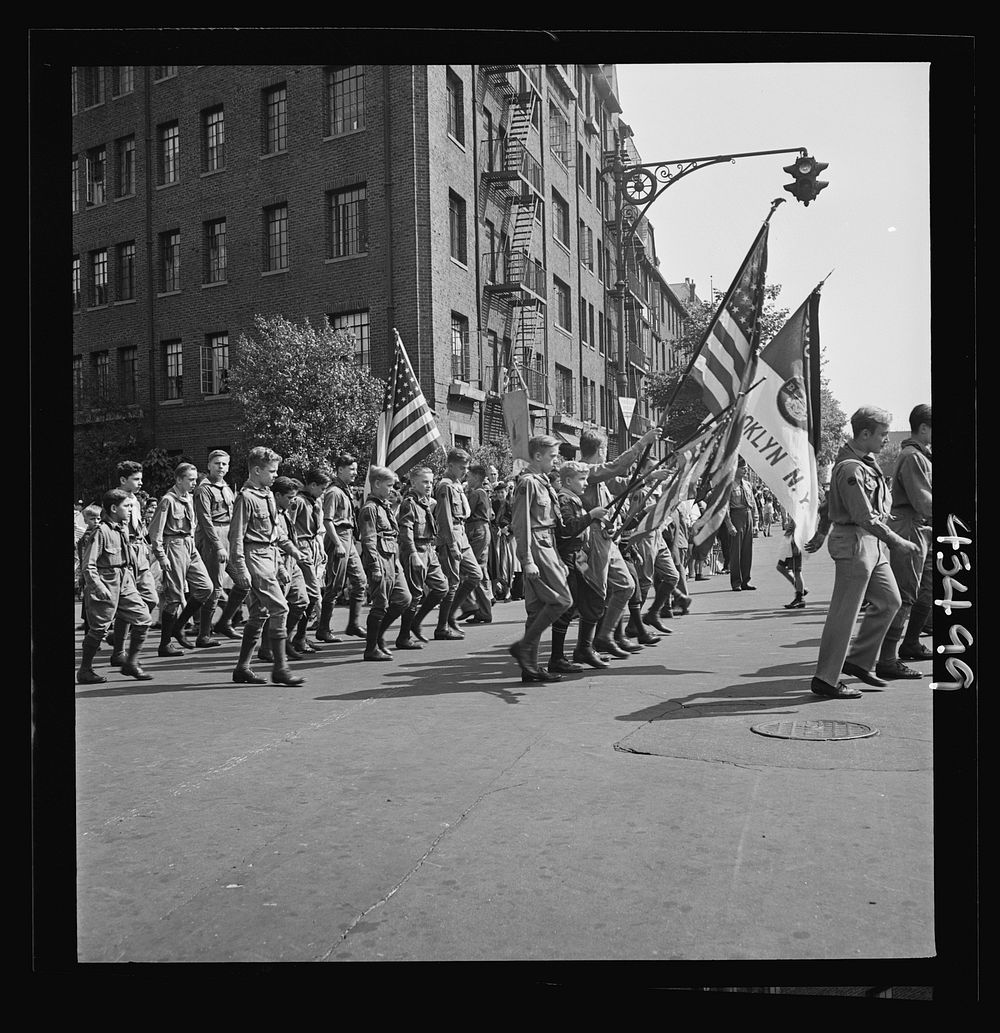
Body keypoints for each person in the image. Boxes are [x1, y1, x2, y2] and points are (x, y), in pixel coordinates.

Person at [811, 407, 921, 699]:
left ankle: (859, 660)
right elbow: (864, 516)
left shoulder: (864, 462)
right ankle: (826, 678)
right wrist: (899, 541)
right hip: (855, 542)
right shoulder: (851, 468)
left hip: (871, 543)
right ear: (865, 434)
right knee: (844, 614)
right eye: (883, 434)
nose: (887, 440)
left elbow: (835, 506)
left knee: (890, 601)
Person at [579, 425, 663, 658]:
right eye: (605, 449)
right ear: (600, 449)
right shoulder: (586, 470)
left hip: (607, 537)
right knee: (598, 593)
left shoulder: (599, 474)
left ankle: (605, 636)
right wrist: (643, 442)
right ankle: (587, 645)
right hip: (593, 539)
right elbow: (616, 467)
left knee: (626, 585)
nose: (607, 454)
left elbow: (620, 483)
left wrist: (649, 477)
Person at [228, 446, 307, 686]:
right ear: (257, 470)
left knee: (260, 613)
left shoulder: (268, 496)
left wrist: (292, 553)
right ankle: (280, 668)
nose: (275, 475)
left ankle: (242, 668)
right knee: (280, 608)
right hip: (254, 557)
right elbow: (237, 536)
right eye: (271, 471)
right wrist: (240, 569)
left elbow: (277, 533)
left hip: (270, 555)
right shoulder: (246, 498)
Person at [875, 403, 933, 680]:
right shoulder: (913, 457)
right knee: (906, 596)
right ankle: (888, 659)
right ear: (923, 428)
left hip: (915, 526)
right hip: (910, 526)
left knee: (919, 593)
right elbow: (924, 502)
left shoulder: (918, 455)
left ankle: (903, 647)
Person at [508, 436, 574, 681]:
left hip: (547, 545)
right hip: (537, 546)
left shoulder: (542, 481)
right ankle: (524, 647)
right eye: (552, 456)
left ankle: (530, 668)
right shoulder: (528, 483)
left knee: (536, 610)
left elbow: (551, 525)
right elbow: (521, 523)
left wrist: (555, 556)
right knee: (563, 600)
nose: (555, 461)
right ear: (537, 456)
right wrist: (527, 560)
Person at [77, 489, 154, 684]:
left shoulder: (121, 528)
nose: (130, 509)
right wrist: (97, 586)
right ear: (113, 508)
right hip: (107, 581)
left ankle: (131, 663)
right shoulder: (100, 531)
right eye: (126, 506)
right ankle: (85, 670)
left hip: (125, 580)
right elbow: (89, 564)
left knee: (143, 618)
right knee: (99, 629)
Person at [147, 462, 214, 657]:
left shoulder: (189, 498)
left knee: (205, 587)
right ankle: (165, 643)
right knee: (174, 596)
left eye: (195, 479)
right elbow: (155, 531)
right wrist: (161, 556)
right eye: (190, 479)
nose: (194, 483)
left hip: (189, 545)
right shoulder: (168, 500)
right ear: (178, 479)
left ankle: (178, 626)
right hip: (173, 545)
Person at [553, 460, 609, 670]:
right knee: (567, 606)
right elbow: (567, 529)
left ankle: (584, 648)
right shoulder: (564, 500)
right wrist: (591, 516)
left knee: (593, 598)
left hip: (580, 558)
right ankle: (557, 658)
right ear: (568, 480)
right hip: (568, 558)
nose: (586, 483)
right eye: (582, 479)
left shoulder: (574, 499)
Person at [107, 461, 161, 666]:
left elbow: (140, 528)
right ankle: (119, 651)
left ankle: (119, 637)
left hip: (140, 553)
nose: (140, 483)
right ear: (123, 480)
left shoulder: (135, 501)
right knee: (129, 603)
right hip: (125, 553)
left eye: (140, 478)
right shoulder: (115, 499)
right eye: (136, 479)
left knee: (151, 598)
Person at [357, 465, 412, 661]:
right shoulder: (370, 508)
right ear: (377, 484)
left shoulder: (384, 506)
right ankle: (371, 648)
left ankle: (379, 635)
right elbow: (369, 539)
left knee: (404, 599)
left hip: (392, 559)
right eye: (389, 485)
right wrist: (374, 566)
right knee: (380, 604)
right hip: (380, 560)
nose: (392, 489)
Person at [193, 450, 244, 647]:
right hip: (213, 537)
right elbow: (205, 520)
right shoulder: (204, 489)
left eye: (224, 464)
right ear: (209, 466)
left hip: (229, 536)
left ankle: (225, 622)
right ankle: (204, 634)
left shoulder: (227, 488)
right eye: (216, 464)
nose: (220, 467)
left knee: (243, 582)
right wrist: (217, 546)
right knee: (215, 587)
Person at [434, 448, 486, 640]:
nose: (465, 471)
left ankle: (450, 616)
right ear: (450, 466)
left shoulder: (456, 485)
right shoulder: (445, 487)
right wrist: (452, 544)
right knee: (452, 582)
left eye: (466, 468)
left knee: (475, 575)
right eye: (462, 468)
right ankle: (443, 626)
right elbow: (445, 518)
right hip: (453, 537)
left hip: (462, 533)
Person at [396, 465, 449, 648]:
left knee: (442, 587)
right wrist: (412, 554)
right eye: (425, 482)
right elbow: (406, 530)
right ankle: (403, 637)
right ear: (413, 483)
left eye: (431, 482)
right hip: (416, 549)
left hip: (428, 548)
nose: (429, 485)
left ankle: (416, 622)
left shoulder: (425, 502)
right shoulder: (409, 503)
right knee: (415, 594)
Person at [258, 476, 310, 663]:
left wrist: (297, 555)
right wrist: (280, 567)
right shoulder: (272, 513)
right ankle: (268, 648)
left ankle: (283, 640)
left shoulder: (285, 511)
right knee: (276, 608)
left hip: (291, 561)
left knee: (301, 601)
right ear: (277, 495)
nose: (292, 501)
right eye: (289, 497)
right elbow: (273, 542)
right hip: (277, 562)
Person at [318, 453, 367, 642]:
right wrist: (337, 544)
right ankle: (323, 628)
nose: (355, 473)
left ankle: (353, 624)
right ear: (340, 470)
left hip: (349, 538)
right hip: (338, 537)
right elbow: (328, 520)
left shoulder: (345, 490)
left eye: (355, 468)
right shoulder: (334, 492)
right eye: (351, 469)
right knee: (335, 586)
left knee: (360, 581)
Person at [286, 466, 332, 654]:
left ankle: (301, 636)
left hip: (312, 546)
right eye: (321, 488)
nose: (323, 492)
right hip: (301, 547)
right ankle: (292, 638)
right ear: (312, 485)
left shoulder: (314, 501)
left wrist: (320, 548)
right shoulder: (298, 501)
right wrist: (294, 550)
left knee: (313, 594)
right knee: (311, 595)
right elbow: (289, 525)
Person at [461, 464, 494, 624]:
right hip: (483, 530)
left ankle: (470, 605)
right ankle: (484, 609)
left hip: (476, 530)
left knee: (468, 568)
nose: (466, 479)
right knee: (480, 569)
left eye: (468, 476)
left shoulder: (476, 494)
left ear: (475, 478)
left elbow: (465, 513)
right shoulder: (484, 493)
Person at [722, 456, 760, 591]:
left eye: (746, 468)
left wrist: (755, 522)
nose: (746, 470)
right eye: (743, 468)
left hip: (747, 516)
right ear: (735, 469)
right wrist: (729, 524)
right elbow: (725, 506)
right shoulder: (729, 485)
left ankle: (746, 580)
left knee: (747, 551)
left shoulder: (748, 484)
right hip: (736, 516)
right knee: (736, 552)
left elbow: (753, 504)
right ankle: (736, 582)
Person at [75, 504, 102, 633]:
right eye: (92, 519)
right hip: (90, 574)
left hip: (98, 573)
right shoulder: (87, 537)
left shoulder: (99, 533)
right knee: (89, 605)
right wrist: (83, 576)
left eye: (98, 519)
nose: (96, 522)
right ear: (85, 521)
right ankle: (89, 634)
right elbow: (84, 558)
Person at [775, 519, 807, 608]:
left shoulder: (799, 507)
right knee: (780, 567)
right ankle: (800, 588)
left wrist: (797, 543)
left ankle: (800, 598)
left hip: (794, 542)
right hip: (788, 542)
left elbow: (800, 525)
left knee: (796, 571)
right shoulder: (794, 507)